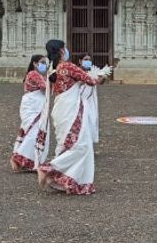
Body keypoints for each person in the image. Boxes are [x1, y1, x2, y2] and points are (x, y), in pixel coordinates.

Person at [36, 40, 106, 195]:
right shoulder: (67, 66)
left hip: (61, 108)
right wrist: (102, 74)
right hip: (71, 110)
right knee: (81, 146)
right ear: (61, 51)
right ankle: (50, 168)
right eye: (65, 48)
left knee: (68, 144)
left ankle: (67, 180)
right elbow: (91, 81)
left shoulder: (53, 69)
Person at [10, 55, 50, 172]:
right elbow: (44, 87)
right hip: (33, 104)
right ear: (34, 63)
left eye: (45, 63)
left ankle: (30, 160)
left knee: (35, 131)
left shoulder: (40, 75)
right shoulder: (33, 74)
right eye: (42, 62)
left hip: (36, 103)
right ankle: (19, 157)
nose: (44, 65)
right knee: (34, 131)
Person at [79, 53, 105, 144]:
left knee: (91, 121)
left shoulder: (93, 71)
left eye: (89, 60)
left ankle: (88, 143)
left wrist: (102, 76)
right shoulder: (77, 72)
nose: (88, 62)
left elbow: (99, 82)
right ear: (80, 61)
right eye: (85, 60)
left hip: (91, 101)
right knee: (82, 122)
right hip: (80, 100)